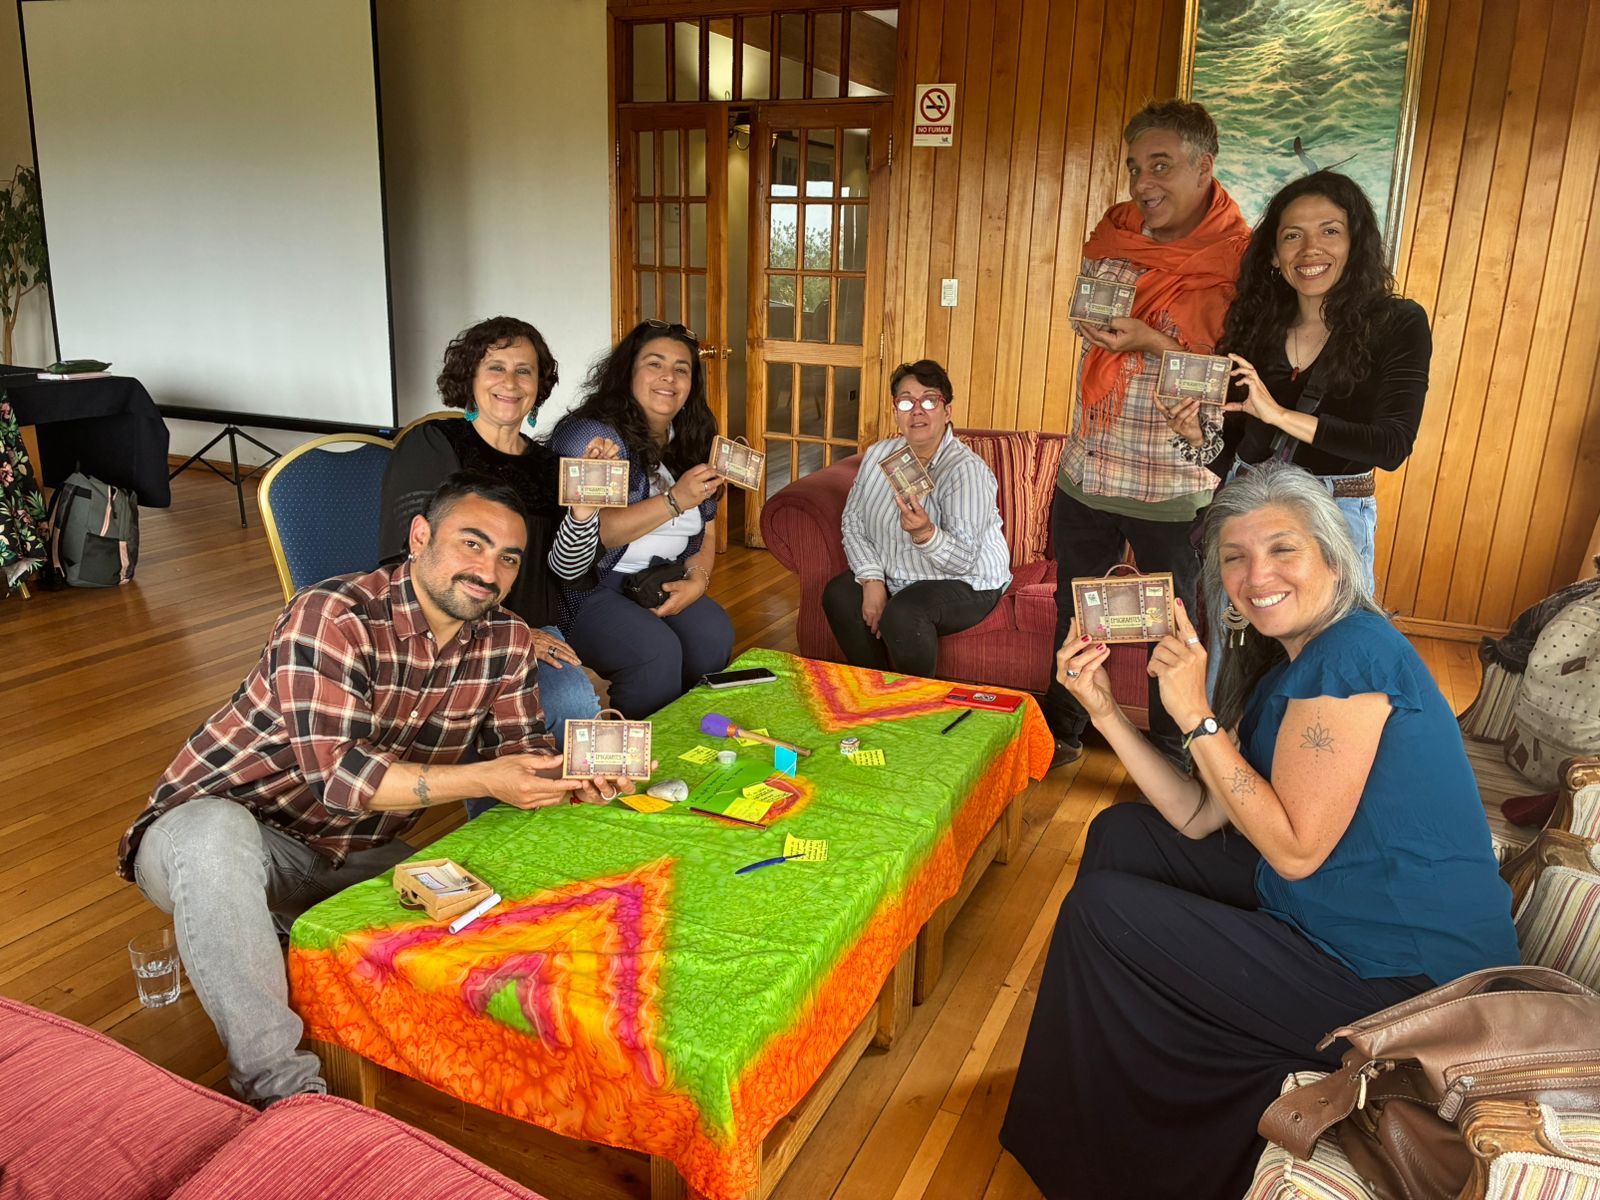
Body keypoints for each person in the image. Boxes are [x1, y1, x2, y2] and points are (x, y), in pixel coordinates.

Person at [1000, 462, 1519, 1200]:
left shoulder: (1355, 655)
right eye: (1235, 557)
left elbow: (1295, 850)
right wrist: (1108, 710)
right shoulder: (1286, 670)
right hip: (1338, 915)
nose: (1256, 574)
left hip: (1411, 983)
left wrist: (1195, 717)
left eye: (1283, 549)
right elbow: (1197, 814)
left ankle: (1096, 1150)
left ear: (1335, 558)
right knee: (1124, 835)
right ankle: (1107, 1069)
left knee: (1101, 912)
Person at [118, 474, 630, 1108]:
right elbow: (336, 776)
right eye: (472, 544)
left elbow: (517, 760)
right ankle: (282, 1093)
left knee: (483, 899)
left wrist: (581, 775)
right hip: (212, 839)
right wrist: (483, 778)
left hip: (349, 855)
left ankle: (288, 944)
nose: (489, 569)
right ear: (420, 537)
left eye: (507, 557)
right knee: (213, 834)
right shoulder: (332, 613)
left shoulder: (503, 640)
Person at [1041, 99, 1250, 770]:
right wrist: (1111, 332)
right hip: (1091, 469)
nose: (1142, 184)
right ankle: (1062, 732)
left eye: (1160, 165)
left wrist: (1151, 342)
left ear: (1203, 166)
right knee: (1074, 617)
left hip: (1175, 484)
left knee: (1177, 629)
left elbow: (1233, 380)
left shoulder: (1241, 265)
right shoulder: (1116, 234)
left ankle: (1173, 751)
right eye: (1135, 167)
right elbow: (1091, 317)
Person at [379, 317, 617, 813]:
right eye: (496, 367)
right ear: (470, 377)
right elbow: (407, 556)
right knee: (566, 703)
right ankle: (493, 836)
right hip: (443, 629)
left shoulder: (550, 464)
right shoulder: (433, 444)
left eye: (524, 372)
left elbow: (568, 570)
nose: (510, 383)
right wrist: (507, 633)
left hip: (535, 627)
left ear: (539, 386)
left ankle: (540, 834)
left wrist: (583, 508)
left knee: (573, 705)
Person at [1165, 170, 1432, 593]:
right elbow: (1243, 459)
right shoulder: (1255, 328)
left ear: (1354, 244)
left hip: (1333, 516)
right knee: (1234, 650)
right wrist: (1198, 438)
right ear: (1273, 254)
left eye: (1330, 231)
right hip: (1249, 514)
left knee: (1326, 652)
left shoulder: (1397, 323)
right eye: (1293, 236)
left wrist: (1280, 414)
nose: (1311, 250)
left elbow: (1391, 445)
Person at [548, 320, 733, 718]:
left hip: (657, 578)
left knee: (713, 634)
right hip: (588, 587)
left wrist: (698, 582)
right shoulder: (594, 438)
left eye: (682, 368)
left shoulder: (691, 437)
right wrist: (675, 499)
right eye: (655, 364)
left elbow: (709, 525)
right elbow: (602, 534)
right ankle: (637, 772)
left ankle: (694, 742)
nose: (669, 377)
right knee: (654, 654)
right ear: (628, 372)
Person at [822, 360, 1010, 679]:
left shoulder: (966, 469)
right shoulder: (879, 456)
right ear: (896, 411)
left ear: (946, 411)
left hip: (968, 581)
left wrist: (925, 533)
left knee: (904, 613)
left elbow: (963, 560)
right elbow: (853, 523)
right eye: (907, 401)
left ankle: (917, 708)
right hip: (898, 575)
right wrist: (872, 581)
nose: (917, 410)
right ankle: (876, 690)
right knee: (839, 594)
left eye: (930, 400)